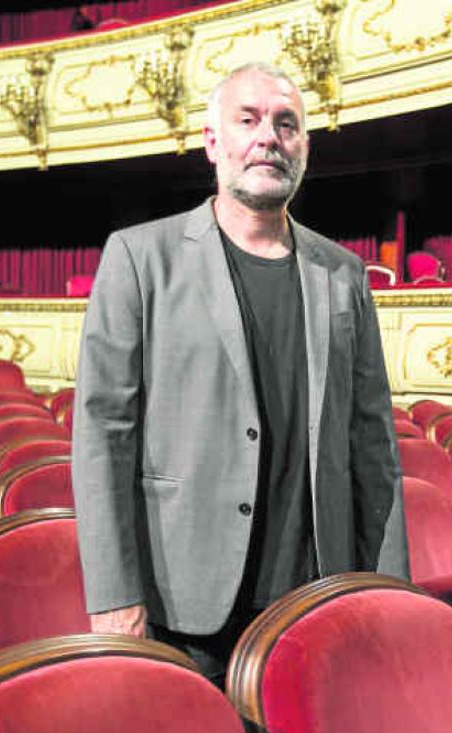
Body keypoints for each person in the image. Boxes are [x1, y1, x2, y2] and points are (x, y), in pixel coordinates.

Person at [72, 62, 408, 681]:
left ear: (304, 146)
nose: (268, 138)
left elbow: (372, 446)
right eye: (248, 120)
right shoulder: (139, 257)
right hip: (184, 603)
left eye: (286, 125)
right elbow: (101, 437)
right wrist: (113, 597)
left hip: (313, 599)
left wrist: (386, 588)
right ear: (212, 141)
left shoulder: (342, 273)